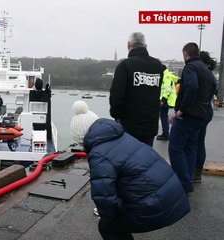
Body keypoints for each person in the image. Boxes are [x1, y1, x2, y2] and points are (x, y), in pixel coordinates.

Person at [70, 100, 190, 240]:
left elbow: (104, 197)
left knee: (107, 226)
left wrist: (110, 216)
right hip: (175, 197)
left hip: (158, 208)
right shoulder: (122, 136)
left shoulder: (99, 154)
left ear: (83, 139)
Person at [169, 43, 216, 194]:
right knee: (191, 147)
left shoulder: (190, 67)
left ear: (185, 54)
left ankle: (182, 182)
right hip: (201, 114)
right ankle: (188, 179)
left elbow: (192, 87)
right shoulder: (206, 70)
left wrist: (181, 110)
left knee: (175, 148)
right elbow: (213, 89)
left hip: (188, 114)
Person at [109, 32, 165, 146]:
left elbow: (116, 95)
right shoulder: (158, 66)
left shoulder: (124, 66)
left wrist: (115, 114)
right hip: (150, 125)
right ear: (146, 46)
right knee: (145, 159)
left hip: (128, 126)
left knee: (127, 159)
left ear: (128, 45)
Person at [193, 51, 218, 183]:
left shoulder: (201, 72)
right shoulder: (211, 74)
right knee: (200, 141)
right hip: (208, 110)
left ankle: (192, 171)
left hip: (200, 110)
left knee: (193, 141)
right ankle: (197, 173)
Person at [157, 68, 178, 140]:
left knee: (163, 117)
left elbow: (167, 89)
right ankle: (165, 133)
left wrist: (163, 100)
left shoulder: (166, 76)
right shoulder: (167, 75)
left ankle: (165, 134)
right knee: (163, 116)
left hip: (166, 100)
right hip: (167, 100)